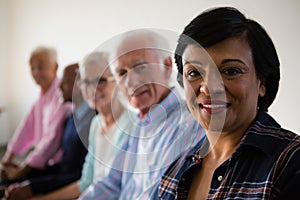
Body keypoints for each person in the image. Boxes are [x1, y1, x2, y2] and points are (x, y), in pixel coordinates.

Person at [155, 7, 300, 199]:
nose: (209, 88)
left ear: (262, 82)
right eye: (194, 73)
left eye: (231, 71)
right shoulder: (174, 171)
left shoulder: (291, 163)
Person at [79, 30, 203, 200]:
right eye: (122, 73)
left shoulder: (189, 123)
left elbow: (161, 195)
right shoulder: (140, 123)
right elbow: (111, 183)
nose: (130, 82)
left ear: (167, 66)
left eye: (140, 67)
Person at [31, 51, 132, 200]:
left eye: (100, 80)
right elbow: (85, 183)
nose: (92, 89)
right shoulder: (96, 125)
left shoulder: (130, 125)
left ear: (117, 80)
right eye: (85, 82)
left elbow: (115, 189)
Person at [3, 63, 95, 200]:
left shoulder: (93, 121)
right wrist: (24, 178)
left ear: (79, 85)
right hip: (61, 177)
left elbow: (80, 177)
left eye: (65, 82)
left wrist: (32, 186)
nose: (59, 86)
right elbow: (64, 166)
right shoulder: (71, 118)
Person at [0, 46, 72, 184]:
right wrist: (8, 159)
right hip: (40, 163)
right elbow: (26, 127)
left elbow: (51, 140)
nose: (36, 72)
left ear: (55, 67)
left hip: (55, 167)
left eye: (41, 67)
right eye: (32, 68)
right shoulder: (41, 98)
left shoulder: (63, 95)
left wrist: (23, 169)